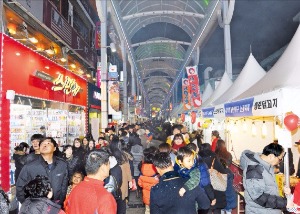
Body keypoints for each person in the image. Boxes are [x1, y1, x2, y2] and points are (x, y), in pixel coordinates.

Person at [240, 143, 294, 213]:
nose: (279, 163)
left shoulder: (265, 166)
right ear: (271, 156)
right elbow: (259, 197)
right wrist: (284, 202)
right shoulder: (254, 170)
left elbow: (268, 188)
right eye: (280, 159)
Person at [16, 137, 68, 206]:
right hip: (36, 208)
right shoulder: (30, 167)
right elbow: (20, 188)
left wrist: (59, 203)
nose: (45, 145)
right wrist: (28, 205)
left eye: (48, 143)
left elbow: (63, 187)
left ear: (54, 148)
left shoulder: (62, 165)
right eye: (42, 144)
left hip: (55, 206)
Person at [65, 150, 117, 214]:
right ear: (103, 167)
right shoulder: (105, 198)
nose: (109, 167)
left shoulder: (75, 190)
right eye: (109, 164)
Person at [175, 146, 215, 213]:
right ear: (180, 161)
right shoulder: (177, 169)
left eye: (192, 160)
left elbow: (195, 180)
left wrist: (184, 188)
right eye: (189, 161)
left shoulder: (195, 170)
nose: (191, 163)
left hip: (195, 199)